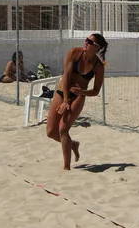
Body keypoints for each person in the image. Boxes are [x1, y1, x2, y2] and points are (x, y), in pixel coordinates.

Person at [46, 33, 108, 170]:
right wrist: (66, 101)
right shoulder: (74, 53)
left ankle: (66, 168)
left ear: (97, 48)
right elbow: (66, 77)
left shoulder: (99, 66)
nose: (85, 42)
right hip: (63, 93)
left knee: (63, 129)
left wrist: (83, 92)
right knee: (50, 132)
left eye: (89, 42)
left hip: (79, 95)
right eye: (86, 40)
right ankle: (73, 144)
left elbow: (96, 90)